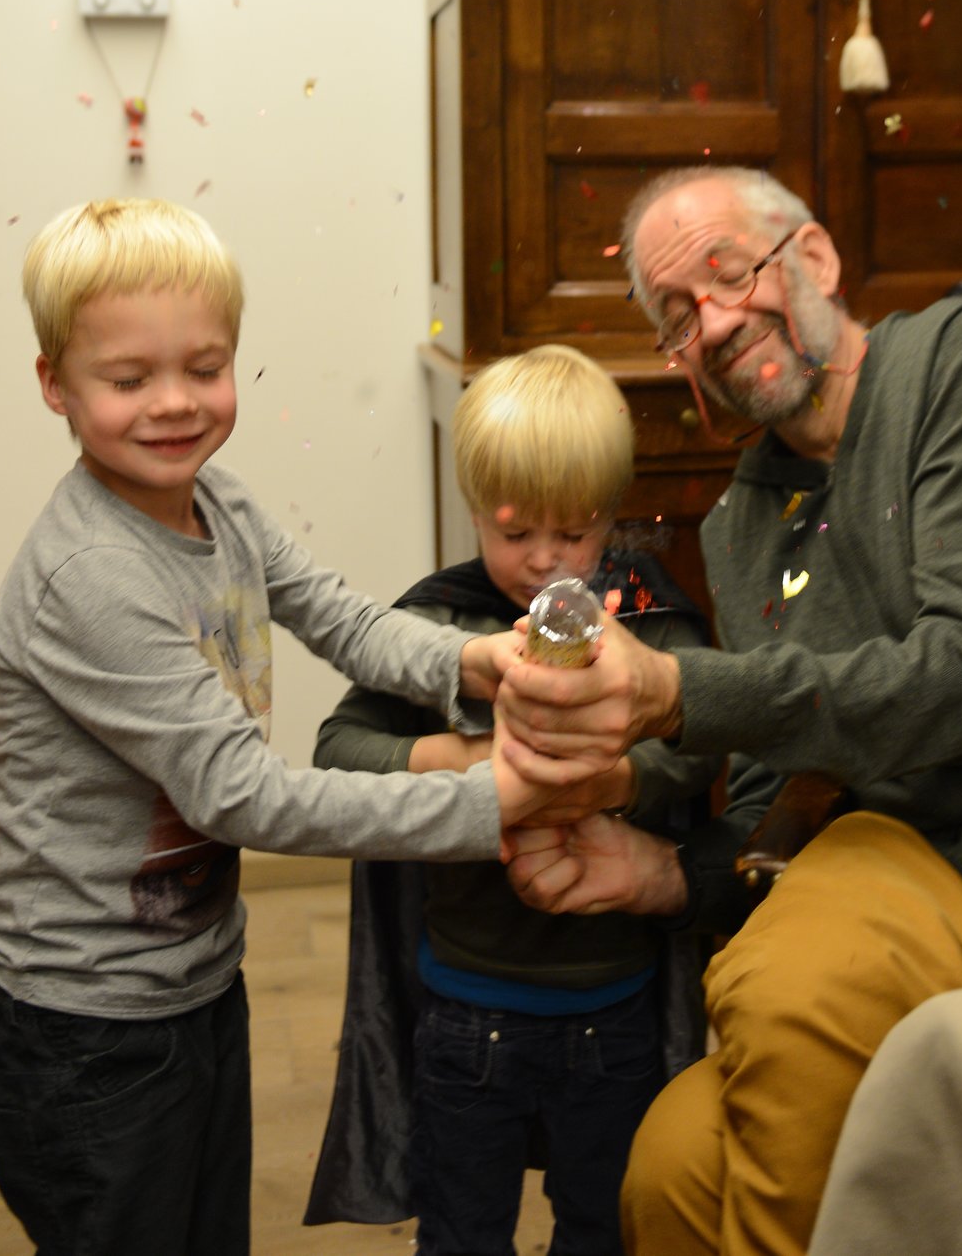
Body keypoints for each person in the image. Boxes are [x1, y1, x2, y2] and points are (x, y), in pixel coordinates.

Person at [496, 165, 962, 1256]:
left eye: (728, 273)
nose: (715, 322)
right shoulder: (741, 525)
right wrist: (662, 872)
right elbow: (781, 796)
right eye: (679, 315)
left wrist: (675, 692)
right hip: (905, 875)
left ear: (813, 257)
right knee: (668, 1163)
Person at [0, 197, 579, 1256]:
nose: (174, 403)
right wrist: (489, 803)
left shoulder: (221, 503)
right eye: (128, 379)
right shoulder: (91, 575)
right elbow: (245, 797)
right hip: (81, 1031)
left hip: (191, 982)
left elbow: (340, 617)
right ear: (55, 383)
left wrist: (473, 660)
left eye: (205, 367)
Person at [305, 344, 721, 1256]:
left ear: (611, 513)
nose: (542, 560)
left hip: (614, 1005)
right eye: (514, 530)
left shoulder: (649, 621)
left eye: (572, 532)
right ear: (472, 507)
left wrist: (613, 775)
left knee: (606, 1228)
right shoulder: (438, 626)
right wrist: (477, 763)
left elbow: (702, 751)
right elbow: (339, 751)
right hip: (466, 1007)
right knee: (461, 1230)